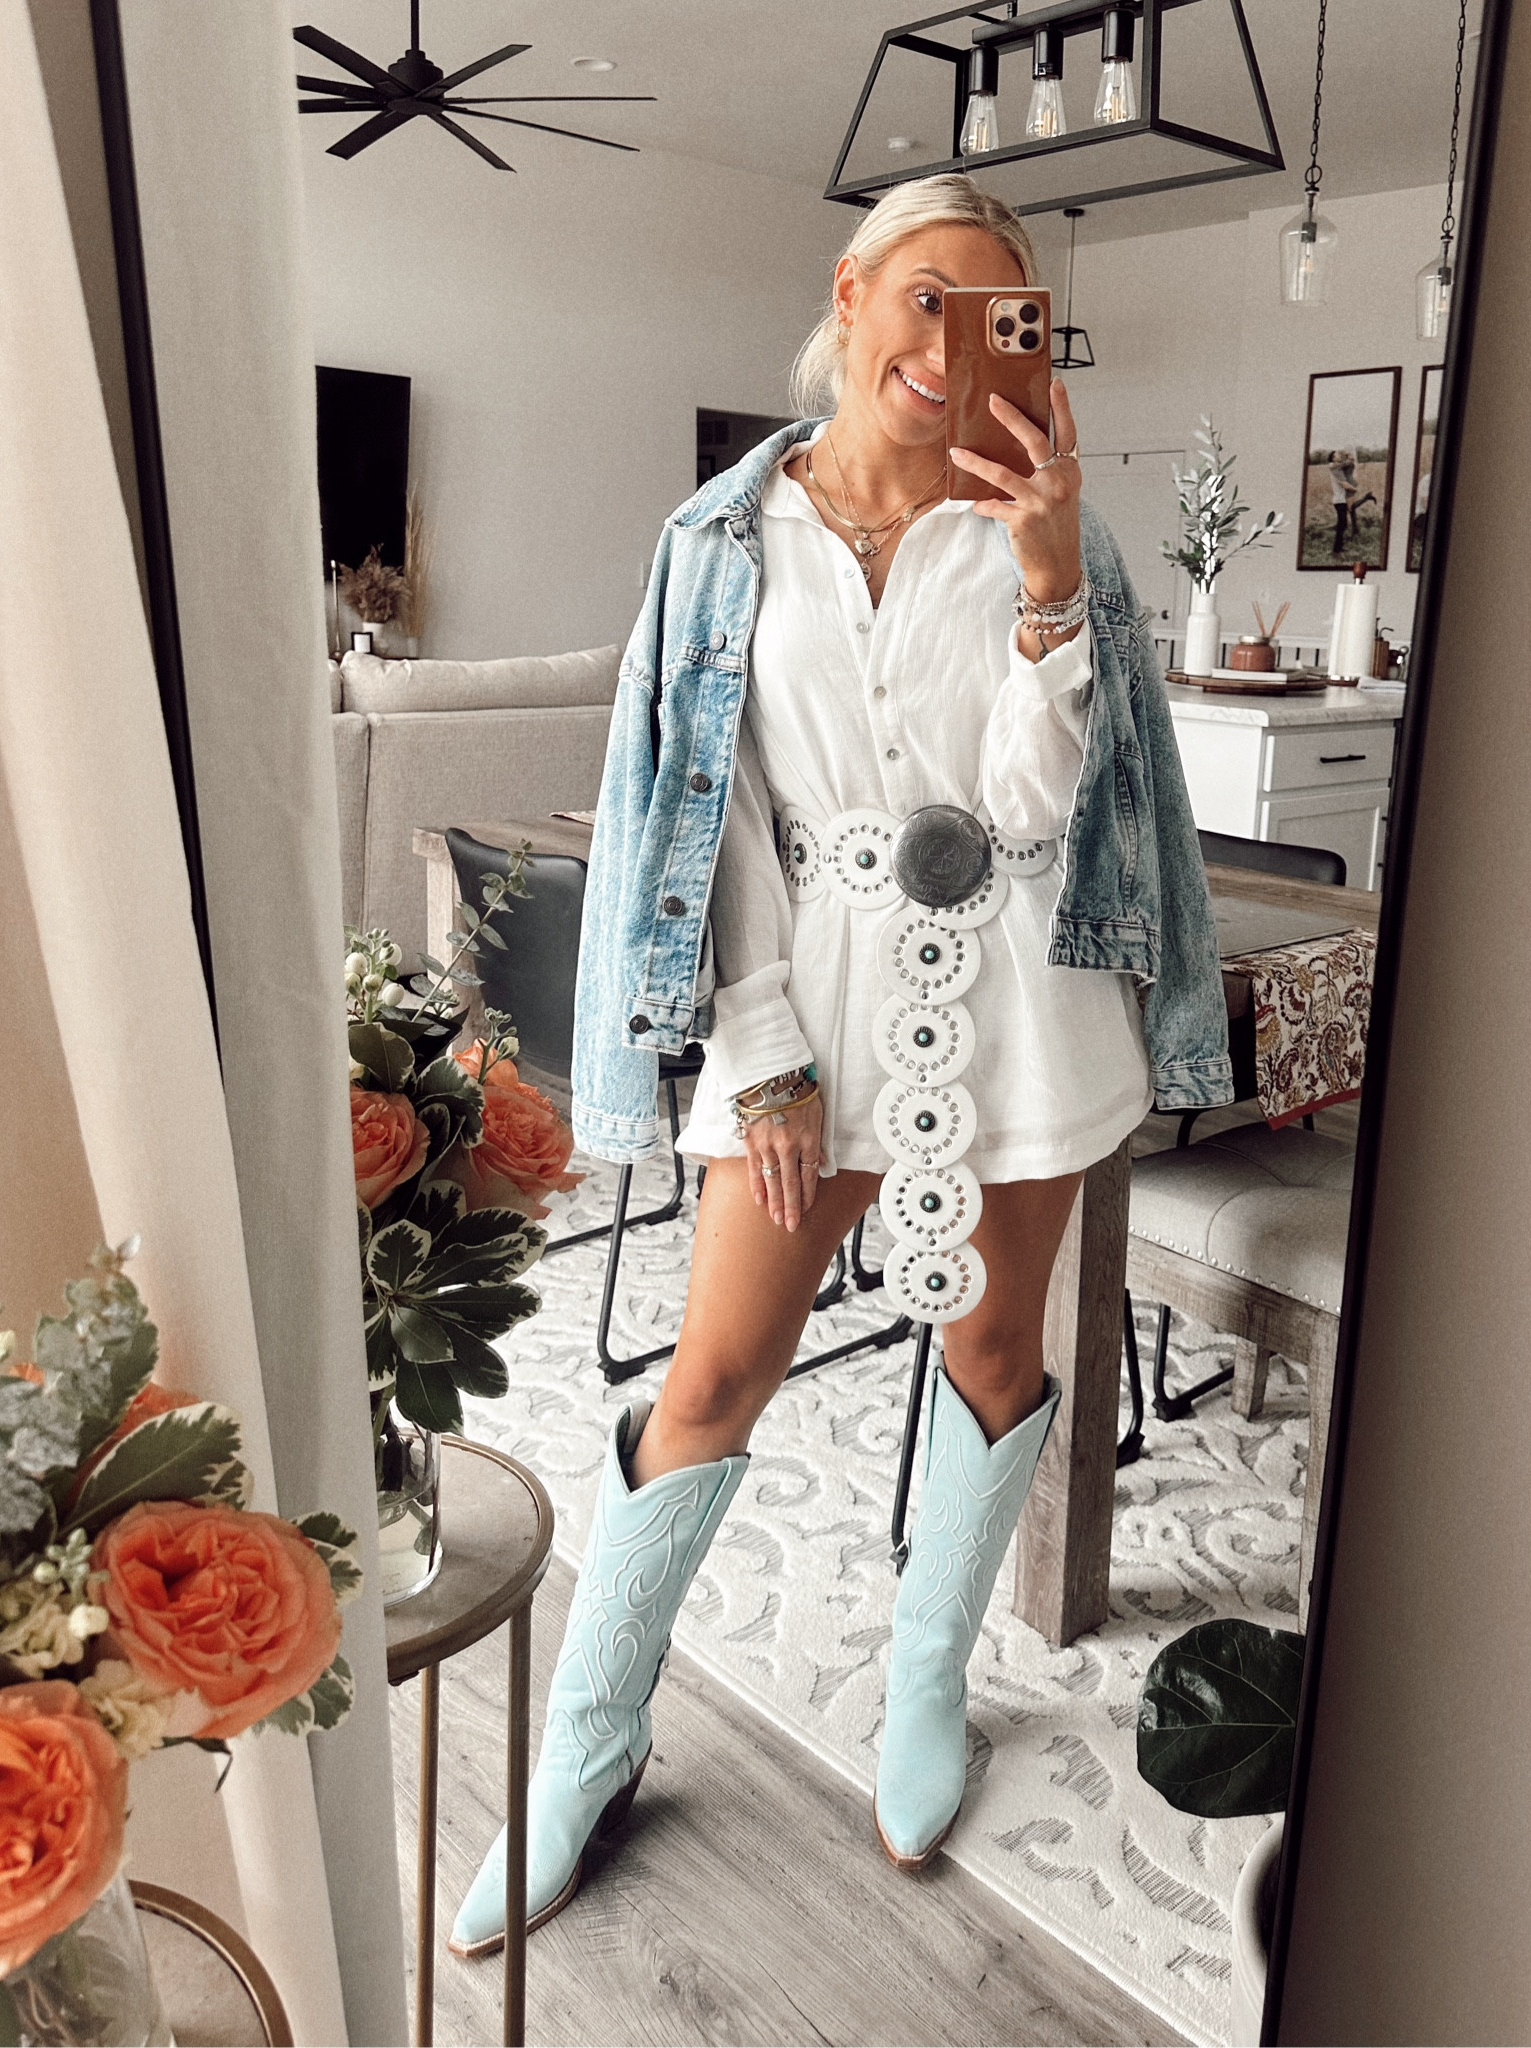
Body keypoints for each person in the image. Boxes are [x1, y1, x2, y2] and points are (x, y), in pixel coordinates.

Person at [450, 173, 1232, 1957]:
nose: (953, 347)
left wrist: (1051, 580)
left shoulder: (1051, 529)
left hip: (1017, 990)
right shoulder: (724, 538)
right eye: (926, 299)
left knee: (992, 1345)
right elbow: (707, 812)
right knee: (716, 1366)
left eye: (998, 316)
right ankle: (585, 1747)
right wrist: (761, 1048)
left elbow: (1038, 808)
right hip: (800, 986)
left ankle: (925, 1686)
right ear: (854, 293)